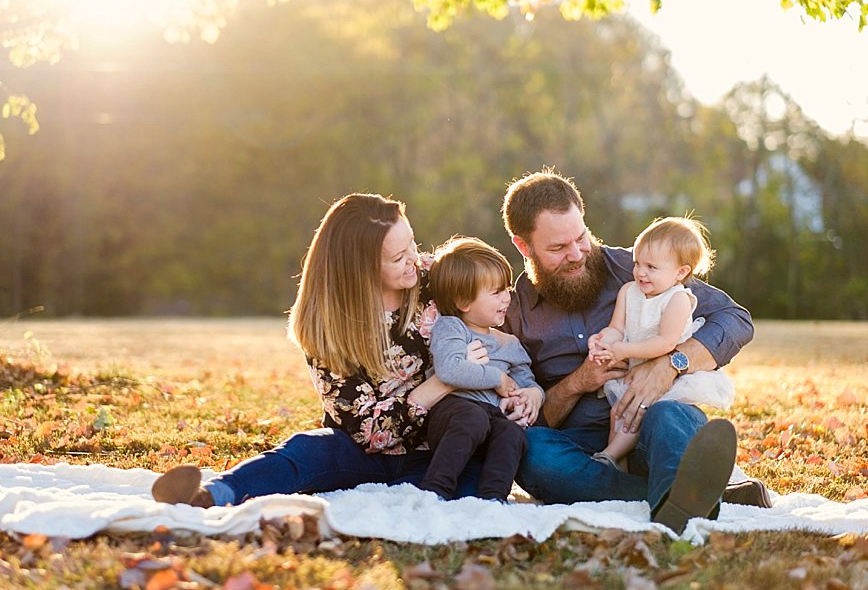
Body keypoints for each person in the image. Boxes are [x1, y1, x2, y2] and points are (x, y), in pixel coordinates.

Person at [151, 193, 487, 507]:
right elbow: (367, 432)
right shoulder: (328, 325)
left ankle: (427, 494)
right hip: (359, 452)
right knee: (306, 450)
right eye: (399, 257)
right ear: (360, 269)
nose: (414, 258)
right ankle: (211, 496)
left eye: (412, 243)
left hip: (440, 446)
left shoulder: (435, 278)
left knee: (473, 468)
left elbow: (493, 307)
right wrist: (447, 379)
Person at [501, 167, 770, 535]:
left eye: (581, 237)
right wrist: (578, 382)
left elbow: (735, 319)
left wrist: (671, 364)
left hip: (657, 429)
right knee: (530, 452)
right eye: (558, 248)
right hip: (588, 450)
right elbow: (533, 417)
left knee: (670, 419)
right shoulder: (513, 313)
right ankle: (687, 496)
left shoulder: (641, 268)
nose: (577, 253)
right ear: (523, 245)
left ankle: (677, 495)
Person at [586, 216, 736, 471]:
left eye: (651, 267)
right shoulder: (628, 291)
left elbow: (665, 343)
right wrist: (603, 340)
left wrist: (624, 349)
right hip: (636, 371)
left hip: (668, 378)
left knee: (641, 414)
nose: (640, 272)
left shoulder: (677, 299)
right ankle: (616, 467)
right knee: (618, 414)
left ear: (681, 272)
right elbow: (617, 328)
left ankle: (608, 456)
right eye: (637, 263)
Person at [421, 236, 545, 501]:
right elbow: (450, 369)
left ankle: (493, 499)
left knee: (513, 433)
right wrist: (497, 378)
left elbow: (526, 381)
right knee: (472, 418)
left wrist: (533, 396)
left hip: (492, 417)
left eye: (507, 289)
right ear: (464, 301)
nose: (507, 298)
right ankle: (435, 491)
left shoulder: (510, 343)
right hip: (453, 412)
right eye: (497, 292)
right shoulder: (452, 328)